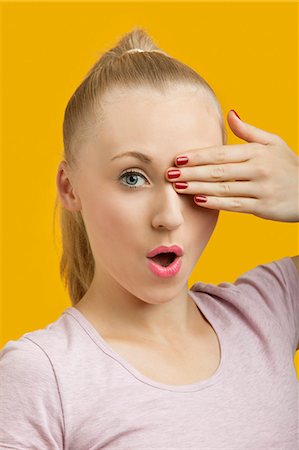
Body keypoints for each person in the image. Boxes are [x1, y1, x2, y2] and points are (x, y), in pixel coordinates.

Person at [0, 27, 298, 449]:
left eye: (191, 178)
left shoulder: (270, 311)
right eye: (133, 177)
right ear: (70, 187)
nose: (169, 216)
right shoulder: (44, 375)